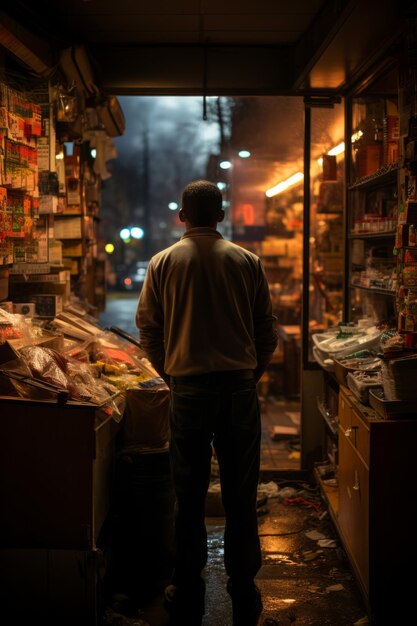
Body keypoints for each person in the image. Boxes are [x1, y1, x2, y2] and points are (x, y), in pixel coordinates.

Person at [135, 179, 278, 626]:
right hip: (238, 390)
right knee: (240, 491)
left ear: (182, 216)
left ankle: (187, 581)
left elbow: (149, 330)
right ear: (220, 215)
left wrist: (172, 372)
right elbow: (266, 331)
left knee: (189, 491)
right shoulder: (246, 261)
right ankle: (243, 583)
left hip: (189, 390)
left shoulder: (162, 263)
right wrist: (247, 375)